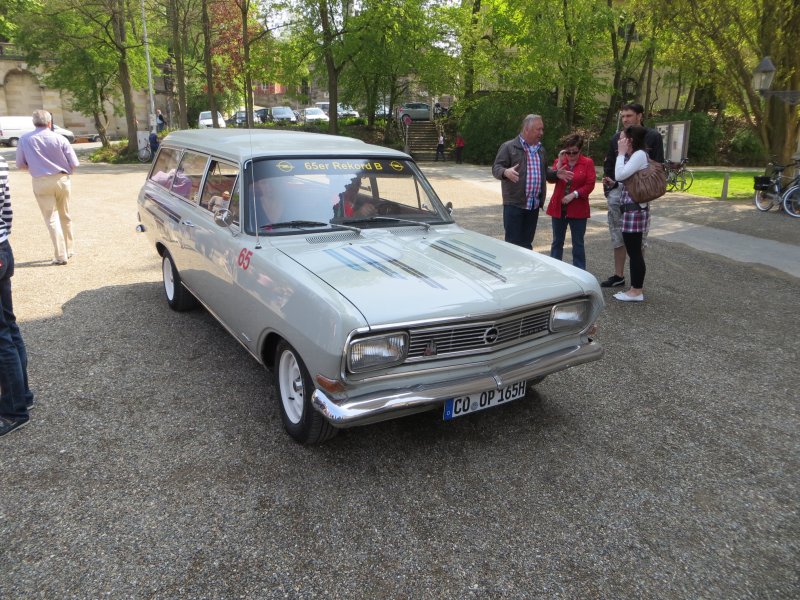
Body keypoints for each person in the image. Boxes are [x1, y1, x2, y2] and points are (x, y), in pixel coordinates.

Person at [600, 102, 663, 287]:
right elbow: (610, 165)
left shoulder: (651, 137)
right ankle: (618, 276)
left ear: (640, 116)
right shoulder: (616, 137)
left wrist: (643, 189)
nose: (625, 119)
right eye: (623, 116)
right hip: (619, 191)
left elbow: (657, 167)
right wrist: (611, 184)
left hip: (638, 195)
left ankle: (636, 283)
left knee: (638, 240)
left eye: (629, 115)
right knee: (617, 235)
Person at [492, 114, 568, 250]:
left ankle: (525, 271)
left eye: (542, 129)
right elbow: (496, 168)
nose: (541, 133)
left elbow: (545, 173)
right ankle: (511, 271)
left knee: (527, 245)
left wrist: (556, 174)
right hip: (515, 204)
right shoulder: (509, 147)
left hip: (533, 205)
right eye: (538, 129)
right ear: (526, 129)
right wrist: (505, 172)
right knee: (512, 245)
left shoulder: (541, 150)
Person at [15, 109, 79, 265]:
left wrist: (34, 167)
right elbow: (75, 163)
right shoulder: (60, 138)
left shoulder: (24, 139)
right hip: (62, 179)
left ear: (33, 122)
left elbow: (20, 164)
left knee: (51, 218)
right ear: (50, 123)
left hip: (41, 181)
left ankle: (60, 254)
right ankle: (69, 248)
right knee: (65, 214)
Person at [0, 155, 34, 437]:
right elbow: (6, 209)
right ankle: (22, 395)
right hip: (2, 245)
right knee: (8, 327)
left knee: (2, 335)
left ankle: (13, 409)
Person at [545, 133, 595, 270]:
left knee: (578, 243)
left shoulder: (587, 163)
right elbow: (551, 179)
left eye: (575, 152)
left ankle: (579, 271)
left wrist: (574, 194)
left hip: (578, 208)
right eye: (569, 152)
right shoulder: (561, 161)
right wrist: (560, 162)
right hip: (559, 208)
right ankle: (554, 270)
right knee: (557, 241)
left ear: (580, 150)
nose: (571, 155)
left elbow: (590, 184)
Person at [612, 125, 650, 302]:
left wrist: (620, 154)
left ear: (630, 140)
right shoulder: (634, 156)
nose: (620, 142)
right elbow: (623, 178)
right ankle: (635, 289)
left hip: (635, 211)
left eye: (622, 139)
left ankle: (636, 290)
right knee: (632, 249)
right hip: (631, 211)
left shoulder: (639, 155)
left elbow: (620, 174)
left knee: (634, 251)